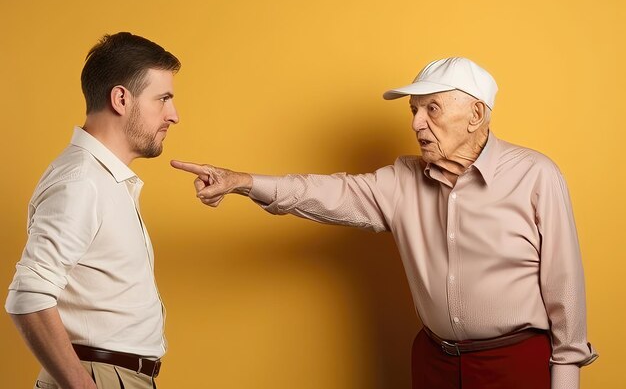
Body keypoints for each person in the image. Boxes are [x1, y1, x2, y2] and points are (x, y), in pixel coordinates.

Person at [170, 57, 597, 389]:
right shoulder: (401, 180)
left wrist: (565, 382)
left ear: (476, 115)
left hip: (516, 364)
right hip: (434, 363)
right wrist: (243, 182)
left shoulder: (535, 175)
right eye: (414, 110)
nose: (416, 124)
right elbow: (324, 192)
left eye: (432, 108)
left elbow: (566, 289)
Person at [5, 32, 181, 389]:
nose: (173, 115)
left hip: (113, 375)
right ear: (120, 99)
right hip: (101, 376)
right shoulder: (82, 183)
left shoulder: (102, 180)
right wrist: (82, 384)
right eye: (162, 99)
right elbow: (28, 293)